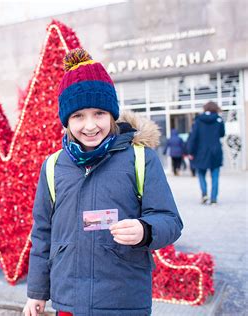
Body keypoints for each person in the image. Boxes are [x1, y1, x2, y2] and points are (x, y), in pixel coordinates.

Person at [23, 48, 183, 316]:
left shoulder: (140, 159)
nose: (89, 125)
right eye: (78, 116)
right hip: (69, 302)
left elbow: (170, 220)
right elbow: (42, 234)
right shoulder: (53, 166)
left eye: (99, 113)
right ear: (66, 121)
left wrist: (145, 230)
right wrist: (37, 292)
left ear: (112, 114)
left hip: (123, 301)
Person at [187, 101, 225, 205]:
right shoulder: (219, 119)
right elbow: (222, 134)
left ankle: (204, 195)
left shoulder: (198, 120)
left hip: (201, 152)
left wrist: (190, 151)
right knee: (215, 176)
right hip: (215, 152)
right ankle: (213, 199)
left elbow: (193, 137)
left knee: (201, 174)